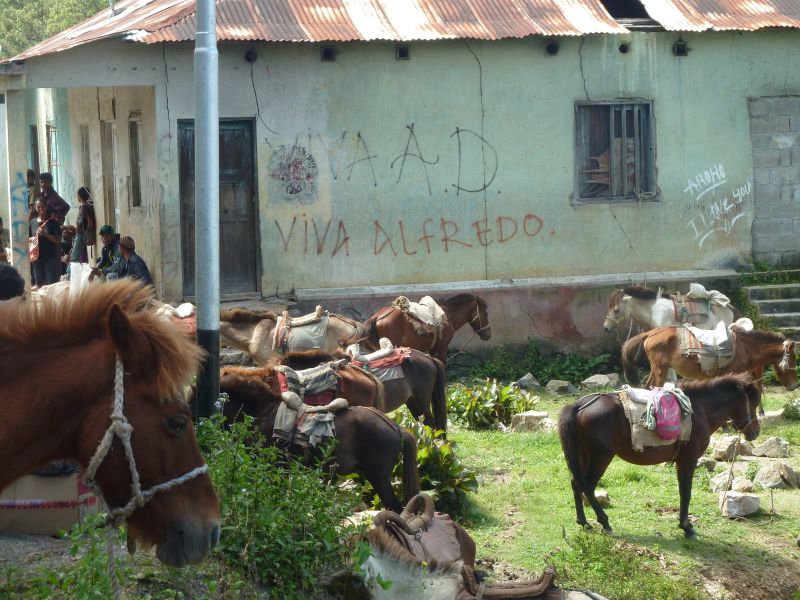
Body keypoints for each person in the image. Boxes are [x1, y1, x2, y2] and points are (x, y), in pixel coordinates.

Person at [29, 199, 62, 287]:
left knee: (52, 284)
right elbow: (29, 238)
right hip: (36, 258)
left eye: (42, 207)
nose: (40, 209)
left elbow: (58, 240)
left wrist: (45, 234)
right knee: (39, 284)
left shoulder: (53, 222)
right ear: (35, 207)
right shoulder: (32, 222)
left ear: (46, 207)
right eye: (38, 207)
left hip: (50, 258)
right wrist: (31, 239)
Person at [70, 187, 96, 264]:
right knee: (80, 256)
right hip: (80, 234)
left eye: (77, 195)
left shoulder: (85, 207)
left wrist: (87, 235)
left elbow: (89, 222)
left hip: (82, 235)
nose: (77, 197)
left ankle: (70, 271)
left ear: (80, 196)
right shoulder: (83, 206)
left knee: (74, 257)